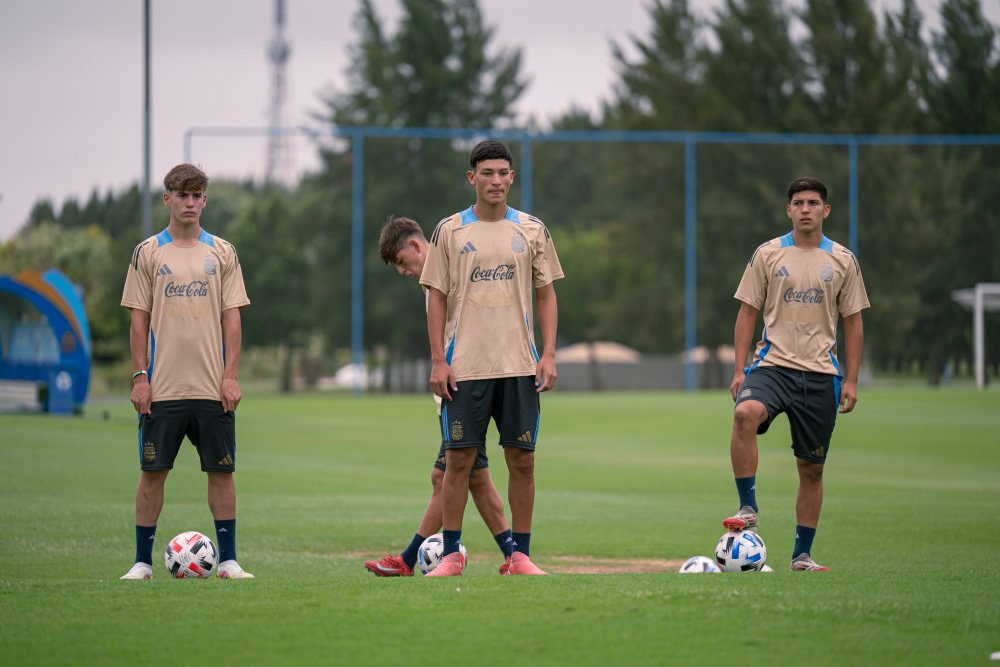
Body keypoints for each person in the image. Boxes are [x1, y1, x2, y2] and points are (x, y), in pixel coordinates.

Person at [419, 141, 564, 577]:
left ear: (512, 178)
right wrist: (438, 361)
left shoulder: (532, 230)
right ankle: (449, 556)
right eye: (487, 173)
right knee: (458, 461)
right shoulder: (450, 230)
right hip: (465, 368)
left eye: (503, 172)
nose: (496, 180)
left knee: (523, 460)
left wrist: (549, 354)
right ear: (472, 178)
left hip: (519, 366)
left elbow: (547, 294)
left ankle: (519, 556)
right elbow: (436, 298)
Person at [724, 177, 869, 572]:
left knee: (812, 468)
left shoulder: (842, 259)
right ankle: (748, 506)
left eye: (813, 203)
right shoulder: (768, 254)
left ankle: (801, 556)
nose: (806, 209)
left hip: (821, 374)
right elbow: (747, 313)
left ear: (826, 211)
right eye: (799, 203)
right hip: (772, 366)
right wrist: (740, 369)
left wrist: (851, 379)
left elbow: (853, 323)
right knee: (744, 414)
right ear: (788, 210)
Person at [119, 164, 254, 580]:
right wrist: (140, 377)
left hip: (212, 389)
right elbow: (138, 320)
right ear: (168, 200)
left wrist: (230, 377)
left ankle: (228, 560)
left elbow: (232, 320)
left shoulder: (223, 252)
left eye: (197, 196)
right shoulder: (148, 252)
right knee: (152, 473)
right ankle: (142, 563)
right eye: (182, 195)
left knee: (222, 472)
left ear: (204, 201)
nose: (190, 202)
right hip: (162, 389)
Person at [364, 216, 514, 576]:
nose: (402, 271)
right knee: (472, 476)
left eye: (401, 262)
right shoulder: (433, 279)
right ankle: (512, 556)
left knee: (449, 473)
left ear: (416, 247)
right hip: (459, 386)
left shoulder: (447, 267)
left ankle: (408, 558)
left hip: (467, 387)